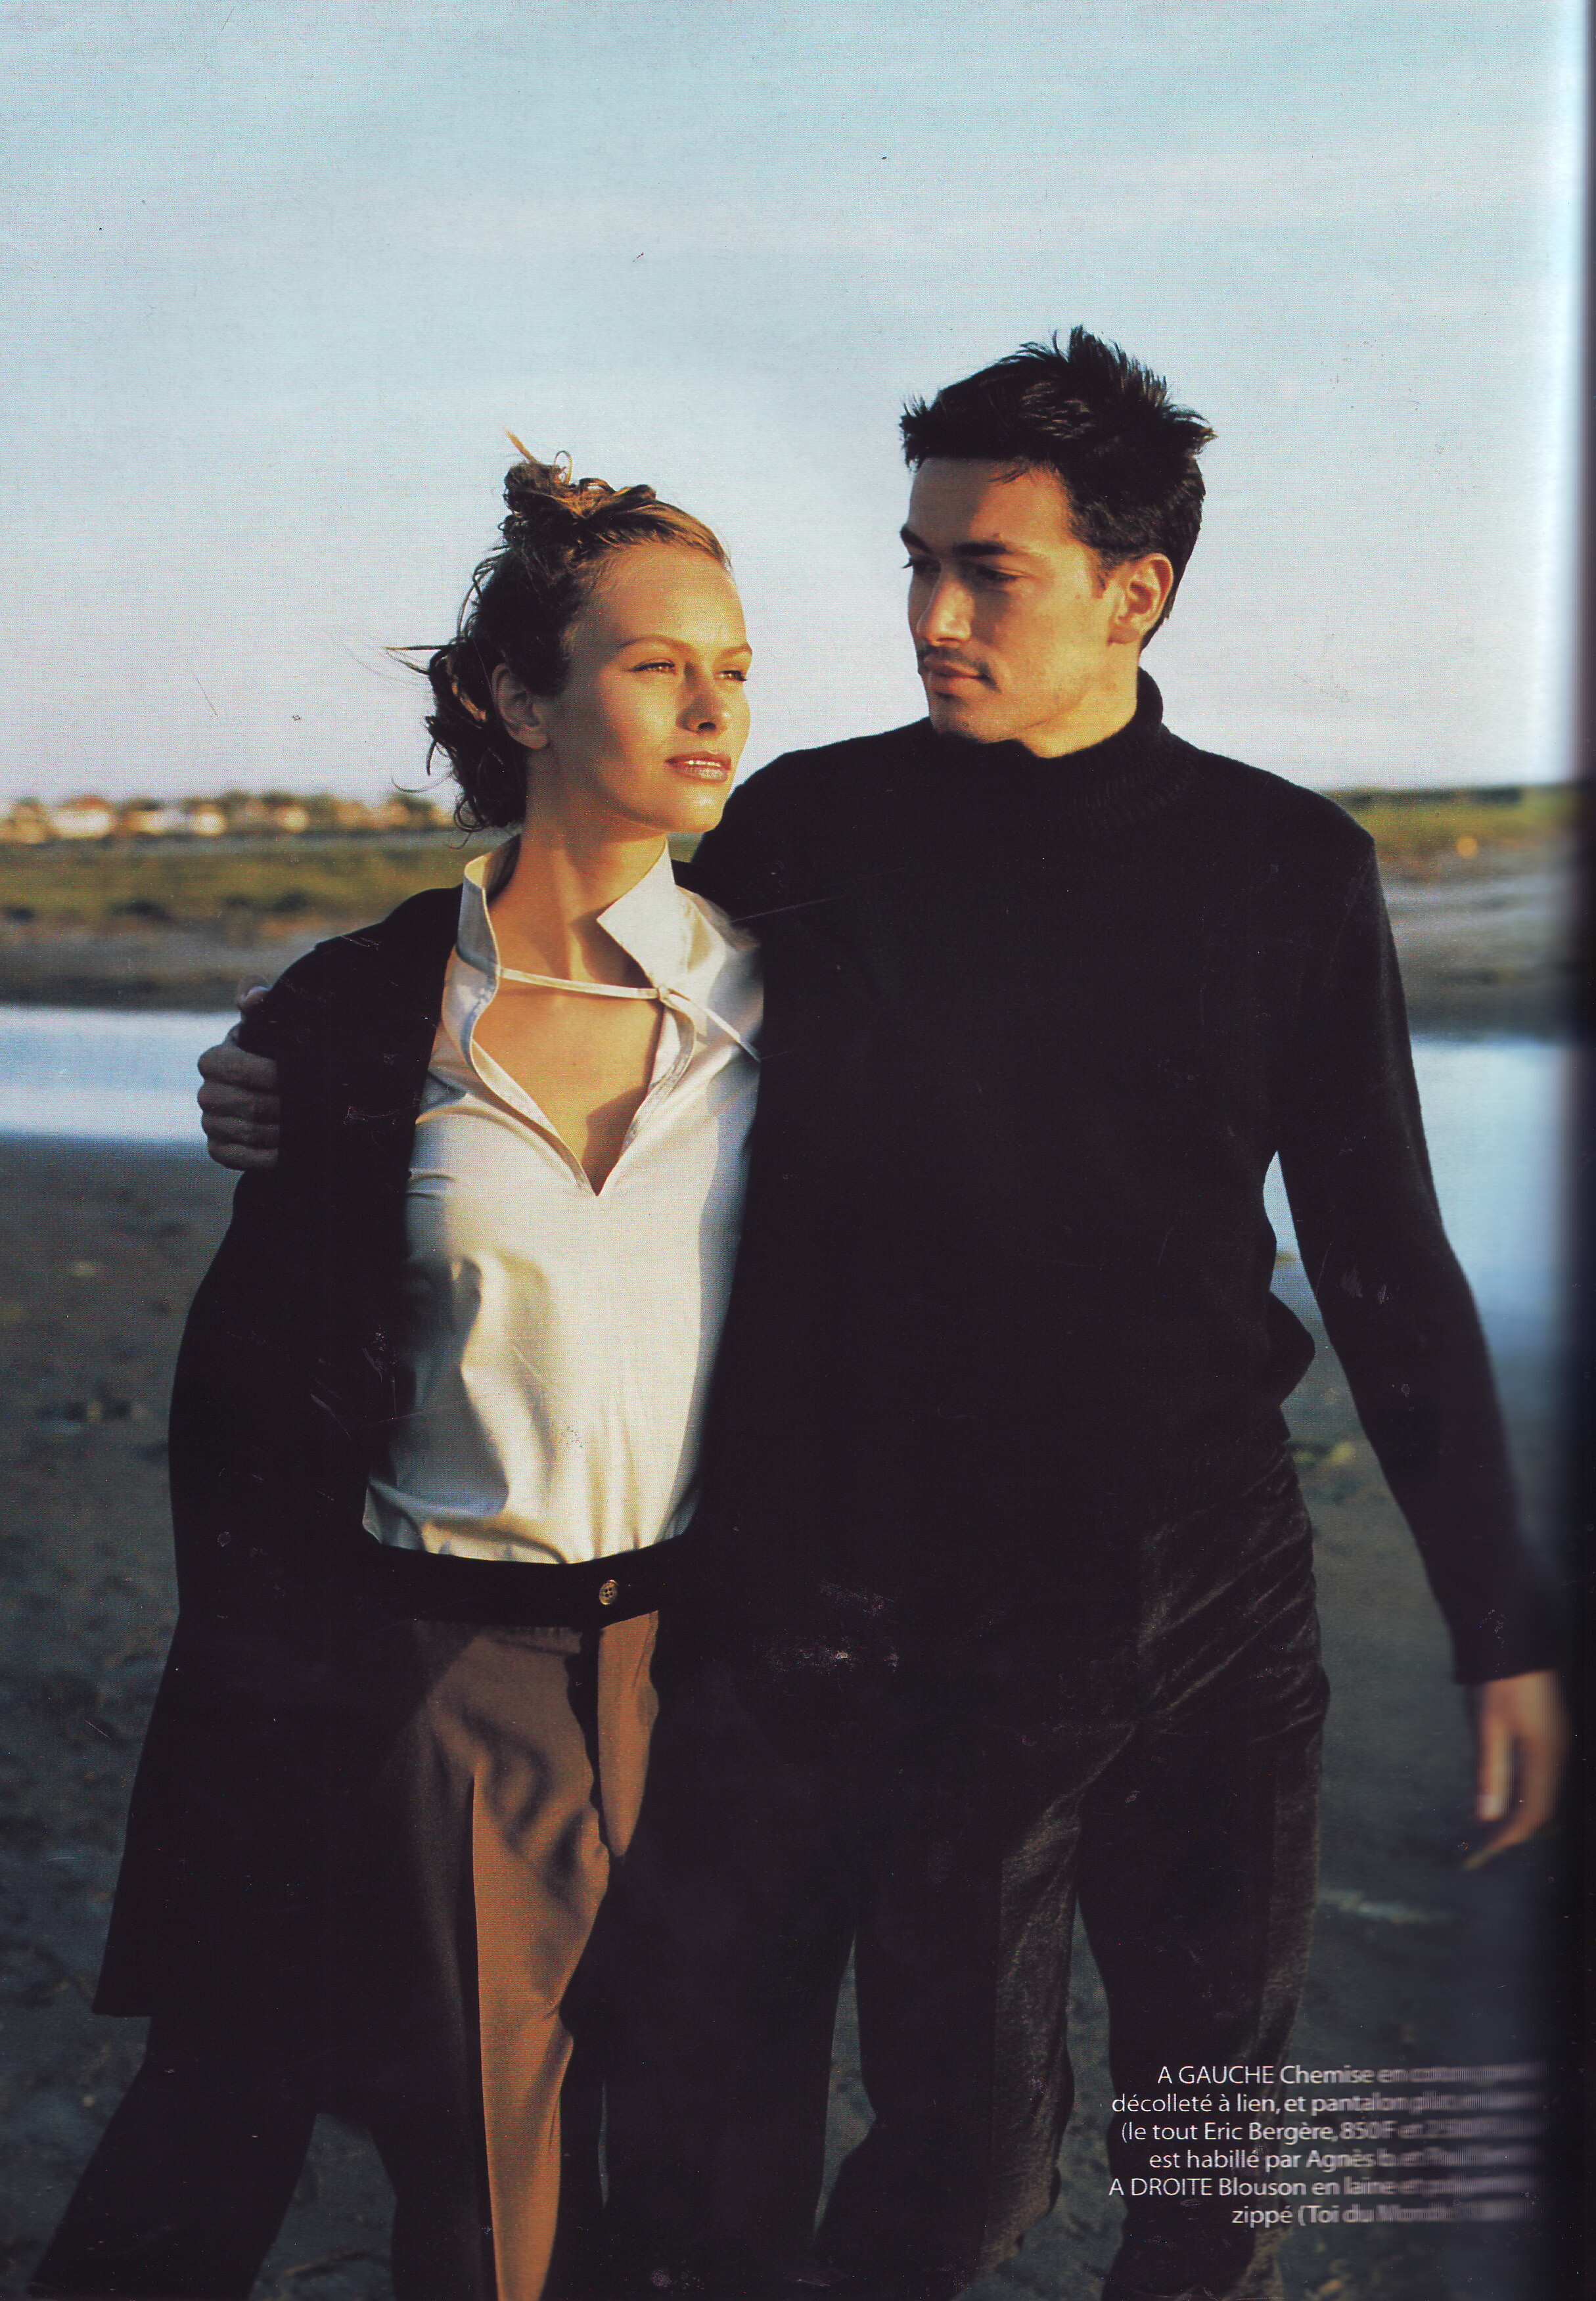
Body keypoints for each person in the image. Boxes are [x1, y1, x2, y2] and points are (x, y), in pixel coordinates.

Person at [197, 333, 1567, 2301]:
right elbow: (562, 917)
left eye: (985, 572)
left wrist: (1499, 1626)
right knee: (967, 2170)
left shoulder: (1288, 865)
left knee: (1217, 2154)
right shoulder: (816, 833)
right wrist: (300, 1043)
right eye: (916, 560)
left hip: (1221, 1586)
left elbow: (1386, 1256)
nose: (929, 614)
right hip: (937, 1617)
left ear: (1134, 592)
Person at [32, 452, 761, 2301]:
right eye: (657, 665)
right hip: (457, 1664)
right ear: (519, 697)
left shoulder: (790, 1001)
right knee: (489, 2195)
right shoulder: (366, 1012)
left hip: (718, 1669)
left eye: (735, 669)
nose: (714, 707)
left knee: (694, 2174)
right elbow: (249, 1395)